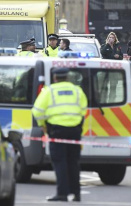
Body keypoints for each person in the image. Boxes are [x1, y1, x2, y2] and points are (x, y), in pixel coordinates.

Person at [32, 68, 87, 202]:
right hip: (74, 131)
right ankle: (76, 194)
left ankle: (62, 194)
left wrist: (43, 126)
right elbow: (84, 109)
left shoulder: (49, 91)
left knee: (59, 162)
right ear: (67, 77)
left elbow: (37, 111)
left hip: (57, 131)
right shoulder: (77, 90)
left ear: (55, 78)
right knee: (73, 162)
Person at [100, 32, 123, 102]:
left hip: (114, 70)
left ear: (115, 39)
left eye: (112, 37)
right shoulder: (104, 46)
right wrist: (108, 44)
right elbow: (103, 52)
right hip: (106, 69)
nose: (111, 39)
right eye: (110, 37)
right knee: (104, 86)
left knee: (113, 87)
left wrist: (118, 56)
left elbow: (121, 57)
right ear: (108, 38)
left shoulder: (118, 47)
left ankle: (112, 100)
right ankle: (103, 101)